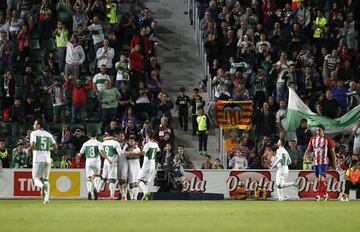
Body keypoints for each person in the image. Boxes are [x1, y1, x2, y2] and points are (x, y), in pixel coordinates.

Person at [28, 119, 58, 204]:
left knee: (36, 178)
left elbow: (33, 145)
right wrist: (49, 148)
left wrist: (28, 150)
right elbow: (55, 146)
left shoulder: (34, 133)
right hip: (47, 159)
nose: (33, 126)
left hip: (38, 159)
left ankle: (41, 187)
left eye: (35, 124)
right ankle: (46, 198)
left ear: (39, 125)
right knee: (46, 179)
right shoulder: (48, 134)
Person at [77, 130, 112, 200]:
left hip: (88, 161)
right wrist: (107, 158)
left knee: (89, 178)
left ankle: (89, 191)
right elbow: (102, 152)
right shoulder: (99, 143)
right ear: (96, 136)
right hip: (96, 161)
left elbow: (80, 154)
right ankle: (95, 188)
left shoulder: (86, 143)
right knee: (97, 176)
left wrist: (77, 159)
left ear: (90, 136)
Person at [305, 124, 336, 201]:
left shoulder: (327, 139)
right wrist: (305, 156)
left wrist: (334, 162)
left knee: (320, 178)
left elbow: (332, 152)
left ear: (323, 130)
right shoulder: (313, 139)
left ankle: (318, 195)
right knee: (320, 179)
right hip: (315, 162)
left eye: (319, 130)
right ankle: (326, 194)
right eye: (317, 130)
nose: (318, 132)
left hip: (324, 162)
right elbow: (309, 149)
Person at [97, 133, 124, 200]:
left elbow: (101, 151)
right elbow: (120, 154)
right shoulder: (116, 143)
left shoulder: (104, 143)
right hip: (112, 162)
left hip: (106, 161)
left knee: (104, 178)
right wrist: (124, 150)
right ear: (115, 136)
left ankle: (97, 193)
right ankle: (112, 196)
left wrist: (106, 158)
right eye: (118, 136)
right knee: (112, 179)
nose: (118, 137)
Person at [138, 132, 160, 200]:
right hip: (152, 165)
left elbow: (142, 153)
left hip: (146, 165)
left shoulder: (147, 145)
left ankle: (146, 191)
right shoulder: (155, 144)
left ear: (147, 136)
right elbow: (158, 150)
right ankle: (146, 196)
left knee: (139, 180)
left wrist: (134, 153)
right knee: (145, 181)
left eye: (146, 136)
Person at [124, 135, 142, 200]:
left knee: (136, 182)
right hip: (129, 166)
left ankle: (135, 198)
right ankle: (131, 197)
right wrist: (130, 153)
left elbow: (137, 156)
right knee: (130, 183)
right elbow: (126, 155)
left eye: (132, 141)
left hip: (136, 167)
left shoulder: (137, 148)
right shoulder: (126, 148)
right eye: (129, 141)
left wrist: (129, 154)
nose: (131, 142)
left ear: (134, 142)